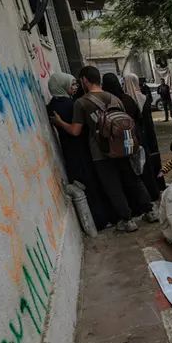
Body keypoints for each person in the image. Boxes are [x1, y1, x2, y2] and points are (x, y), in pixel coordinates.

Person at [53, 66, 158, 232]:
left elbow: (75, 131)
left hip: (100, 153)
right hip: (123, 148)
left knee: (113, 186)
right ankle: (150, 211)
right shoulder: (115, 98)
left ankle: (128, 221)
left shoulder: (82, 103)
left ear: (85, 80)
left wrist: (59, 122)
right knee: (133, 179)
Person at [47, 73, 115, 230]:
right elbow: (77, 130)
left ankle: (99, 219)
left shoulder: (53, 105)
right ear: (62, 86)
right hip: (81, 150)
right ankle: (101, 219)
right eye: (72, 85)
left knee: (84, 183)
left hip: (70, 150)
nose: (75, 87)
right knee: (91, 183)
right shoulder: (71, 105)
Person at [124, 72, 166, 197]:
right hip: (146, 134)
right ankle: (156, 188)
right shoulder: (142, 98)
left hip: (133, 136)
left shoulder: (124, 100)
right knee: (149, 161)